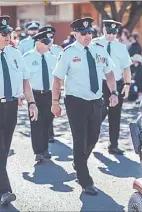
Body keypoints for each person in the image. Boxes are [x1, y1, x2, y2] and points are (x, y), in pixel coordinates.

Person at [51, 17, 118, 195]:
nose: (87, 36)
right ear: (75, 34)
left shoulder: (100, 50)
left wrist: (114, 93)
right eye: (83, 33)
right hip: (75, 102)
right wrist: (55, 102)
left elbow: (110, 73)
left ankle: (79, 161)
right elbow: (57, 78)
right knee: (79, 139)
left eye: (90, 32)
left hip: (96, 100)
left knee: (94, 137)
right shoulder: (68, 52)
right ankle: (84, 179)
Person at [0, 15, 38, 205]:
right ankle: (4, 191)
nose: (7, 36)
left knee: (3, 148)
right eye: (3, 33)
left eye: (9, 32)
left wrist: (31, 103)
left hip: (11, 107)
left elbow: (25, 80)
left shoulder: (15, 54)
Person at [93, 19, 132, 155]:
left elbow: (126, 67)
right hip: (100, 83)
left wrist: (127, 84)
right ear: (103, 30)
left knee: (115, 115)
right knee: (100, 112)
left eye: (114, 33)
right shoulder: (95, 44)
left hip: (117, 83)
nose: (111, 35)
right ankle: (91, 138)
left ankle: (113, 145)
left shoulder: (120, 47)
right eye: (109, 32)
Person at [23, 31, 57, 162]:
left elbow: (58, 78)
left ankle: (45, 148)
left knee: (47, 122)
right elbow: (23, 78)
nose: (49, 45)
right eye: (46, 42)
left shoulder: (52, 57)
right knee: (36, 122)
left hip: (50, 94)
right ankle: (39, 151)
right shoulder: (27, 57)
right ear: (38, 42)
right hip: (34, 95)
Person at [38, 26, 63, 143]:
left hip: (55, 85)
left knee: (52, 108)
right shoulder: (38, 51)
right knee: (42, 112)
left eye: (51, 36)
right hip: (41, 86)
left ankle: (49, 132)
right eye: (46, 37)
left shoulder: (59, 50)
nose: (49, 39)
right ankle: (47, 133)